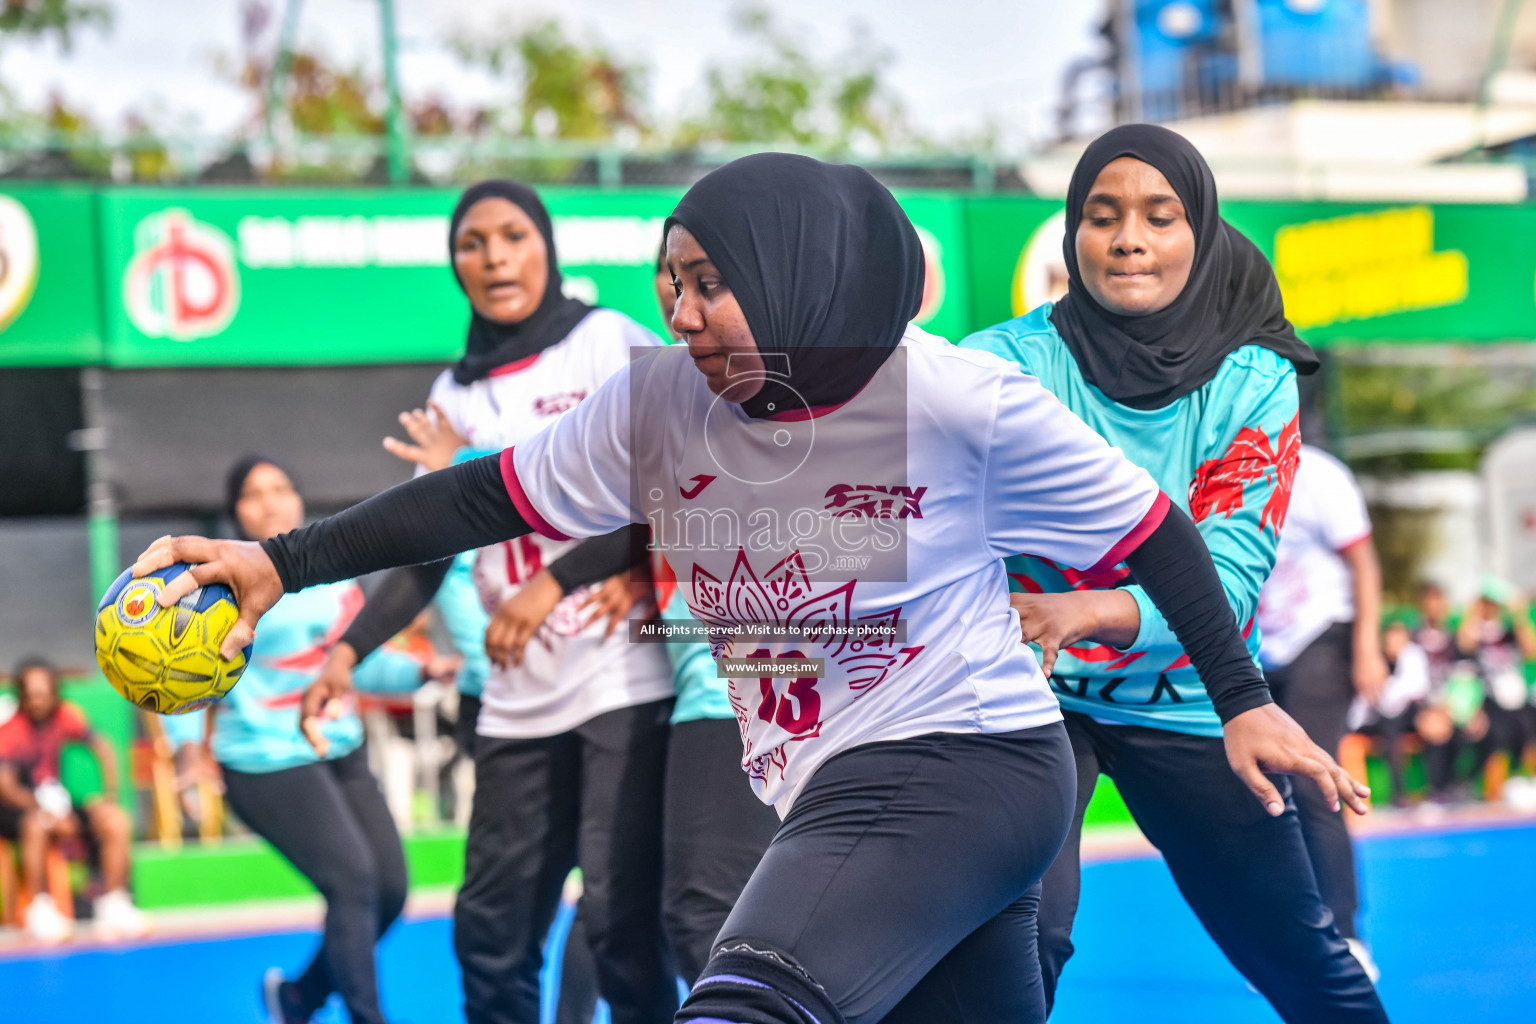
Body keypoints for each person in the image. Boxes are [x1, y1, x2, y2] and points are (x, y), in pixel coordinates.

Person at [133, 152, 1364, 1024]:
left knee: (743, 994)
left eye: (708, 282)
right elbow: (478, 497)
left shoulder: (949, 398)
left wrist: (1244, 697)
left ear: (790, 275)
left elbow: (1155, 527)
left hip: (964, 760)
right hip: (828, 770)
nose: (682, 311)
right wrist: (276, 565)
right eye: (668, 283)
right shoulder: (661, 396)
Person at [961, 124, 1387, 1022]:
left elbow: (1229, 580)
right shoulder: (1001, 365)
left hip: (1201, 697)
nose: (1128, 240)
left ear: (1201, 231)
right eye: (1102, 215)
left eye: (1160, 216)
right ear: (1072, 234)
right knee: (1023, 933)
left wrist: (1081, 610)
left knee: (1299, 954)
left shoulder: (1254, 381)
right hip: (1037, 700)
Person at [304, 179, 677, 1024]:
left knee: (622, 927)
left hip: (624, 679)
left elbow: (680, 479)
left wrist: (562, 578)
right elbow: (425, 547)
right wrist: (346, 652)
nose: (496, 256)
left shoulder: (605, 341)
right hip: (518, 699)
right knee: (490, 937)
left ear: (546, 244)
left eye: (514, 235)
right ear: (455, 264)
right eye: (474, 243)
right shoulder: (452, 392)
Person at [160, 456, 441, 1024]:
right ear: (234, 512)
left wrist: (422, 673)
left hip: (340, 748)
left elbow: (354, 664)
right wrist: (189, 750)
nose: (269, 502)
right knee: (354, 879)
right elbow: (178, 674)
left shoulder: (335, 575)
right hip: (264, 760)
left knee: (389, 889)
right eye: (252, 494)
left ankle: (297, 998)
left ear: (298, 499)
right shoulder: (219, 587)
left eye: (281, 488)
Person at [1258, 442, 1388, 973]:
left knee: (1313, 784)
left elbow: (1363, 562)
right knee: (1264, 794)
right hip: (1261, 647)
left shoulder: (1317, 473)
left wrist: (1368, 647)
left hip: (1323, 635)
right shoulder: (1218, 468)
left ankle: (1345, 932)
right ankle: (1293, 935)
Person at [0, 657, 148, 943]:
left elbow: (103, 748)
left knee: (114, 821)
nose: (38, 701)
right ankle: (40, 910)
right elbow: (6, 788)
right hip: (15, 810)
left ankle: (115, 905)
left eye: (44, 693)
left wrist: (109, 796)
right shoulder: (12, 730)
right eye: (31, 695)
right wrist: (46, 812)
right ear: (22, 696)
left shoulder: (65, 716)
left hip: (56, 805)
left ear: (55, 692)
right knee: (37, 824)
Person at [1459, 582, 1536, 794]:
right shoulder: (1476, 632)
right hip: (1488, 699)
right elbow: (1464, 643)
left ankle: (1519, 777)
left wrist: (1519, 614)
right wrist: (1474, 612)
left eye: (1493, 604)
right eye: (1487, 604)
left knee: (1526, 730)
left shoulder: (1509, 631)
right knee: (1493, 735)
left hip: (1517, 700)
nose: (1490, 608)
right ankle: (1471, 784)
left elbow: (1530, 650)